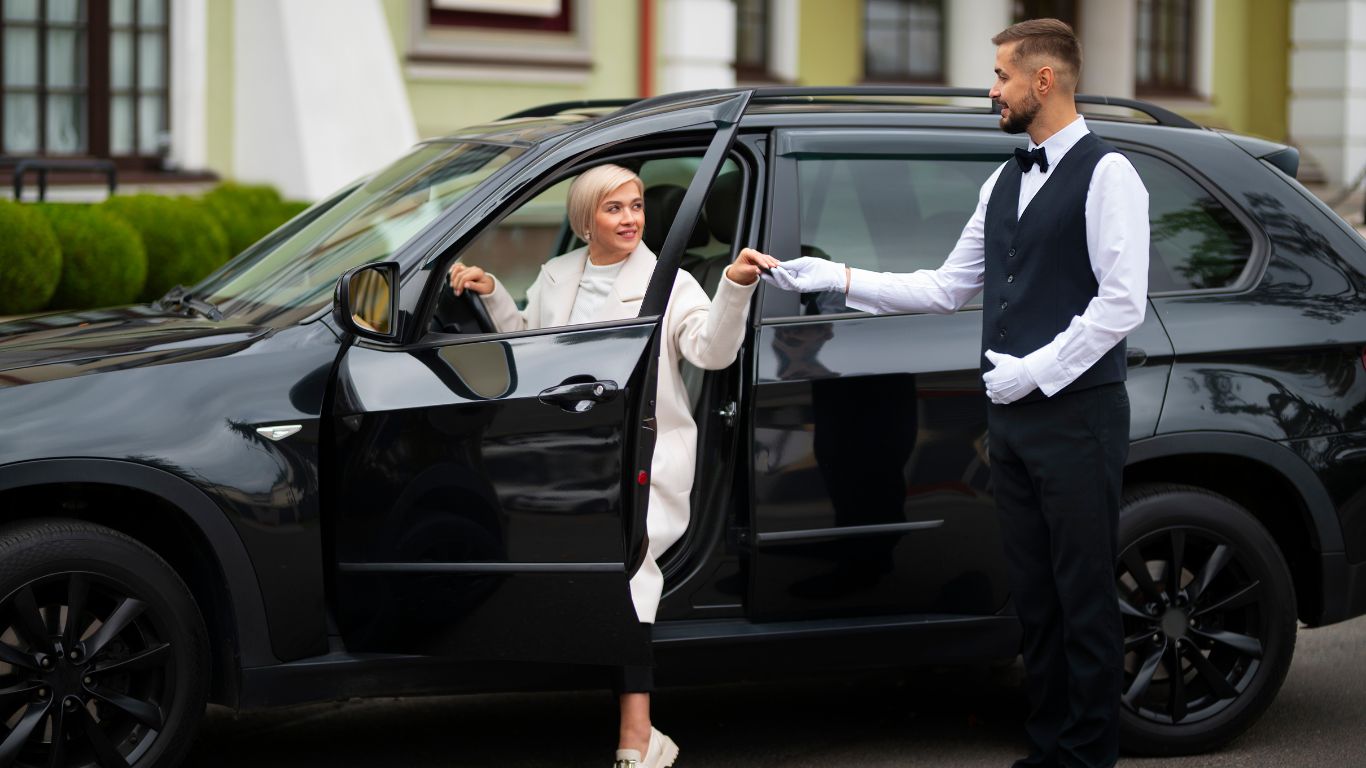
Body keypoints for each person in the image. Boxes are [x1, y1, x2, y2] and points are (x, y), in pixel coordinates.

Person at [758, 19, 1149, 768]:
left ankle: (1087, 756)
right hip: (1011, 425)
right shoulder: (1003, 178)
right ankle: (1048, 749)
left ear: (1043, 81)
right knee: (1035, 596)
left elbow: (1121, 304)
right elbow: (942, 288)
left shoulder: (1109, 175)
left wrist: (1033, 370)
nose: (990, 88)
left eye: (1001, 74)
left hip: (1077, 417)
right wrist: (834, 276)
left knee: (1084, 597)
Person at [447, 163, 778, 768]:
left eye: (636, 206)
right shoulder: (557, 274)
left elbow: (713, 350)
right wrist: (491, 292)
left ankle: (638, 729)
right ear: (585, 218)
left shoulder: (669, 281)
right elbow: (529, 341)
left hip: (647, 456)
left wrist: (734, 285)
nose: (630, 219)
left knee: (625, 568)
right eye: (614, 208)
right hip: (576, 455)